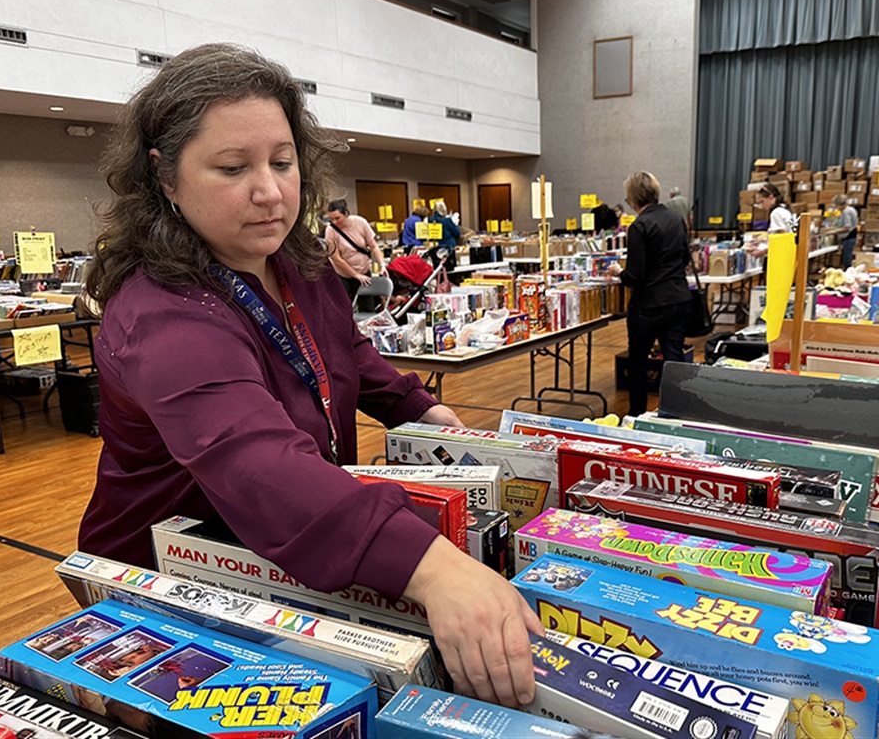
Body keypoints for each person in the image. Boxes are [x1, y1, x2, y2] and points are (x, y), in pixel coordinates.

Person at [78, 43, 540, 708]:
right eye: (233, 168)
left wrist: (420, 408)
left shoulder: (297, 261)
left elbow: (346, 355)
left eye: (283, 162)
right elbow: (258, 465)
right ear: (166, 177)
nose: (269, 191)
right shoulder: (162, 313)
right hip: (171, 588)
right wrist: (434, 570)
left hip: (286, 556)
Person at [606, 171, 691, 416]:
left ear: (632, 199)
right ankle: (677, 412)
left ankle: (637, 416)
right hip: (679, 298)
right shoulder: (676, 218)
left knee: (638, 362)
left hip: (649, 305)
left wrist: (618, 273)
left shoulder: (639, 226)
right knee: (674, 360)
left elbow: (635, 276)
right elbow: (685, 257)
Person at [325, 200, 385, 300]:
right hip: (343, 275)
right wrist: (356, 275)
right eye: (331, 219)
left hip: (364, 271)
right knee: (345, 306)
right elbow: (336, 258)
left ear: (346, 214)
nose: (334, 222)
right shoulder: (331, 231)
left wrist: (381, 264)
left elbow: (374, 246)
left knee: (367, 306)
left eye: (337, 218)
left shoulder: (360, 222)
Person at [747, 183, 796, 258]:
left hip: (781, 257)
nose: (762, 206)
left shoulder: (776, 213)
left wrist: (764, 251)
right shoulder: (786, 209)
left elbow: (782, 239)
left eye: (762, 202)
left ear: (771, 197)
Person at [827, 194, 860, 268]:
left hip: (848, 238)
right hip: (853, 237)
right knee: (848, 257)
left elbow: (847, 227)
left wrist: (834, 231)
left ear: (839, 204)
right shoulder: (852, 209)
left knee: (847, 260)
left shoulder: (846, 212)